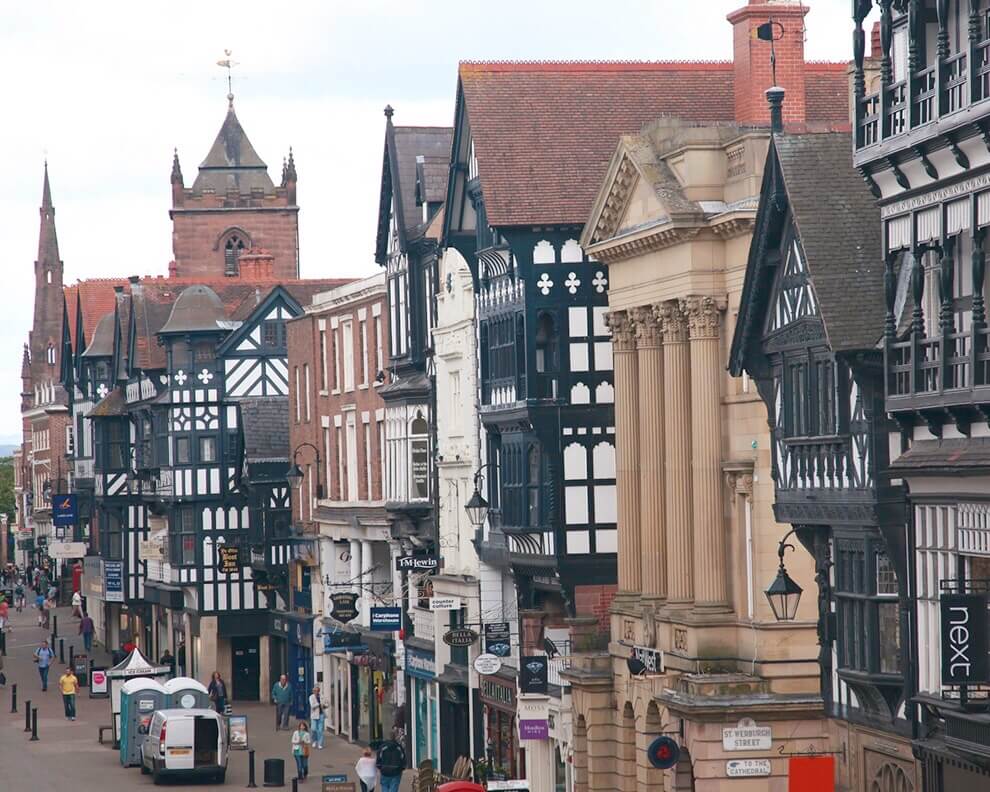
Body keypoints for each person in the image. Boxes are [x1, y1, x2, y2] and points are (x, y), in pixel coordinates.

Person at [308, 685, 327, 750]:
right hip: (314, 715)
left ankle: (320, 744)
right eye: (314, 691)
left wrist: (324, 705)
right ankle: (314, 740)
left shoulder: (322, 696)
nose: (316, 692)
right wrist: (319, 704)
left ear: (319, 691)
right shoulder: (311, 697)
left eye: (317, 691)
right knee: (313, 729)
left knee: (320, 730)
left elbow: (327, 703)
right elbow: (312, 706)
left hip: (321, 714)